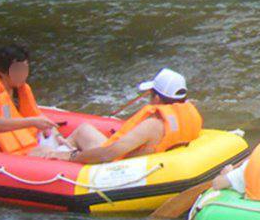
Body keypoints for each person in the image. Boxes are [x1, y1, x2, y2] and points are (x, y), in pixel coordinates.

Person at [67, 69, 202, 164]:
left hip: (116, 167)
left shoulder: (153, 125)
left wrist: (71, 156)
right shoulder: (191, 113)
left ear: (156, 98)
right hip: (159, 164)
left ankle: (54, 153)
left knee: (83, 130)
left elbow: (108, 154)